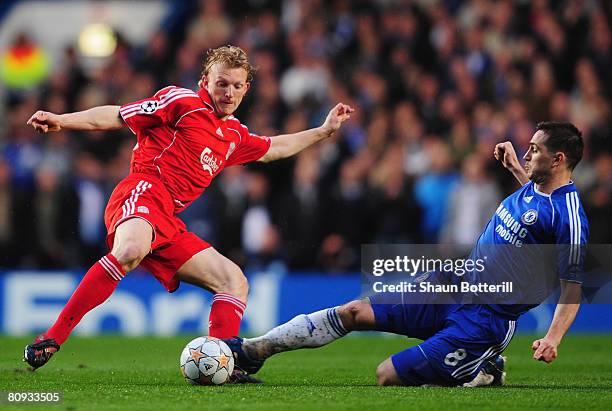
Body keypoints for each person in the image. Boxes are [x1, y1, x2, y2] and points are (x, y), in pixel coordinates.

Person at [23, 46, 354, 379]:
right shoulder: (181, 103)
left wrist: (324, 130)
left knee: (233, 280)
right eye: (222, 83)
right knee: (130, 250)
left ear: (246, 89)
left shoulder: (234, 135)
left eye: (237, 86)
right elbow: (118, 115)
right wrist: (62, 120)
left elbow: (274, 148)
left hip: (168, 218)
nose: (229, 93)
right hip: (143, 190)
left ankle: (225, 362)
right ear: (205, 80)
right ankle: (52, 337)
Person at [226, 122, 588, 387]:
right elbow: (534, 214)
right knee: (353, 311)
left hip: (484, 318)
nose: (527, 153)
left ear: (558, 159)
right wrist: (514, 169)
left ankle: (482, 368)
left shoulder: (570, 217)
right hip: (454, 282)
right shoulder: (536, 189)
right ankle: (256, 350)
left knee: (387, 375)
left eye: (535, 150)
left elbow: (572, 286)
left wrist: (553, 338)